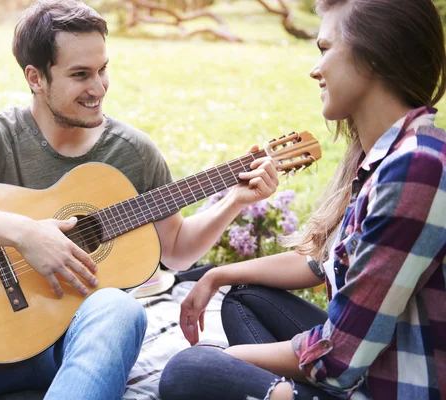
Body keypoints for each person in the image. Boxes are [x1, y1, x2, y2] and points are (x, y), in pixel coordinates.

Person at [0, 1, 279, 399]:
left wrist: (234, 202)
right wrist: (25, 233)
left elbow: (178, 251)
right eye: (80, 74)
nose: (99, 87)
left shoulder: (132, 152)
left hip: (82, 344)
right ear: (35, 77)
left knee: (119, 309)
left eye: (102, 69)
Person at [159, 0, 446, 399]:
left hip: (387, 386)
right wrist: (217, 274)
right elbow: (321, 262)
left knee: (189, 369)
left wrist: (229, 359)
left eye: (325, 50)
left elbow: (340, 357)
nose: (315, 69)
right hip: (371, 364)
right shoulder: (393, 156)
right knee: (245, 300)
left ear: (374, 58)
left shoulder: (416, 168)